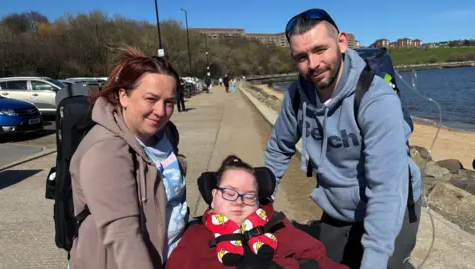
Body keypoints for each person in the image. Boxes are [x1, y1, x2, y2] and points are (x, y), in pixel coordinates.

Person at [264, 8, 422, 269]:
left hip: (391, 202)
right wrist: (259, 201)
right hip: (337, 206)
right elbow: (279, 149)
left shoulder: (376, 99)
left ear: (342, 43)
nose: (313, 64)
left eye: (320, 49)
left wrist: (375, 256)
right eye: (302, 57)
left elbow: (385, 188)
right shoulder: (295, 97)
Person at [69, 46, 188, 269]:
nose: (161, 111)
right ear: (124, 96)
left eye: (169, 102)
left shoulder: (163, 135)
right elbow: (123, 237)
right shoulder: (105, 151)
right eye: (151, 99)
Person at [165, 155, 348, 269]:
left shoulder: (276, 226)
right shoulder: (196, 235)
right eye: (229, 192)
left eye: (249, 196)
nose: (239, 201)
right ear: (213, 197)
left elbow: (319, 258)